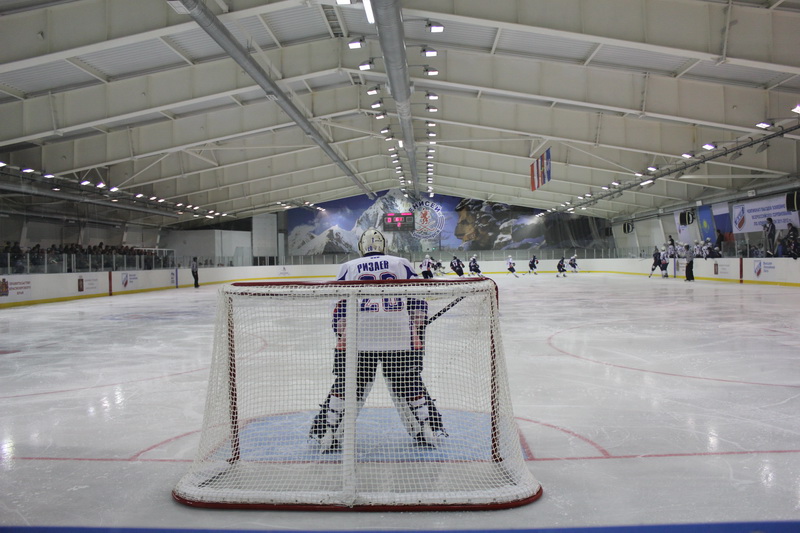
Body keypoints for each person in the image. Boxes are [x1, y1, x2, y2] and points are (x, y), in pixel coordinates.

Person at [309, 229, 445, 453]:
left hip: (359, 337)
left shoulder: (349, 266)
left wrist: (340, 334)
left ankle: (329, 432)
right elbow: (417, 298)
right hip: (398, 337)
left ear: (361, 247)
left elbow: (339, 306)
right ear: (384, 245)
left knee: (347, 385)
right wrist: (417, 330)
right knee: (409, 383)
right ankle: (426, 428)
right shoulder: (400, 262)